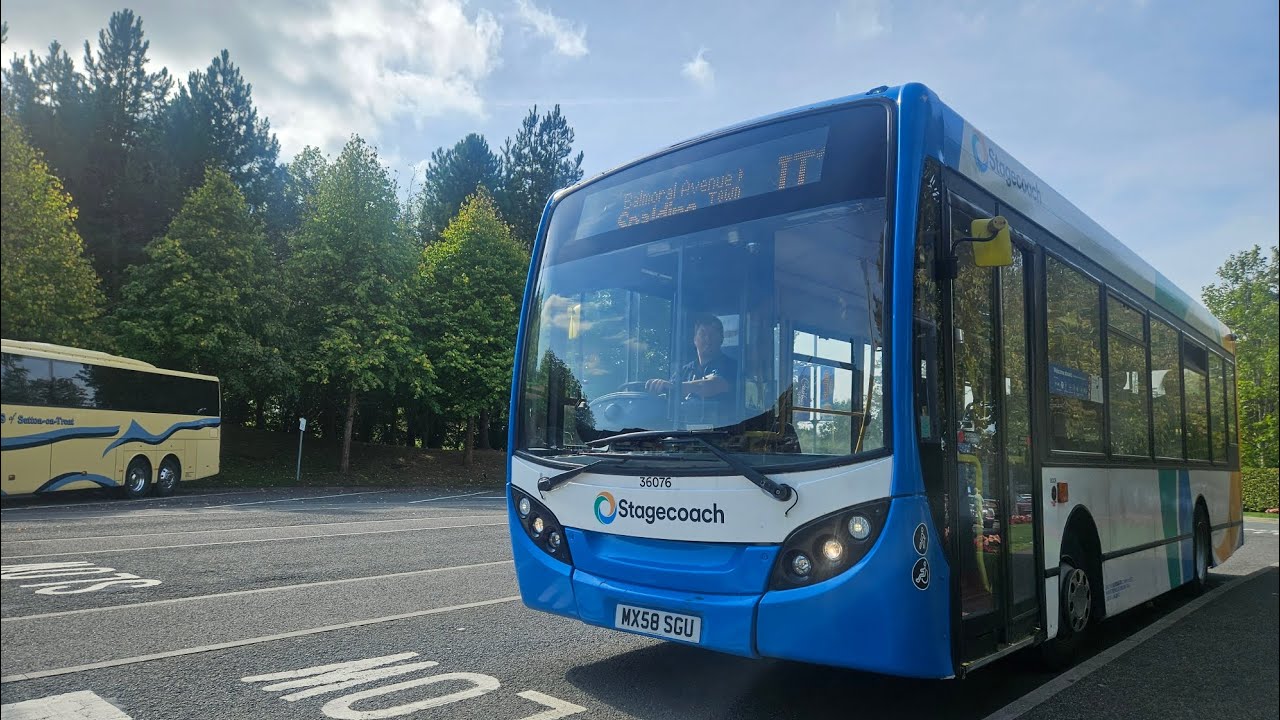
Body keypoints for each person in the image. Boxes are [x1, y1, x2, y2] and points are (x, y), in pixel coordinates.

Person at [645, 314, 737, 401]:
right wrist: (657, 388)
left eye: (713, 334)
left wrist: (674, 388)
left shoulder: (732, 367)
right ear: (694, 340)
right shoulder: (684, 371)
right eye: (703, 334)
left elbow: (715, 385)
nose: (708, 339)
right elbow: (669, 394)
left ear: (721, 339)